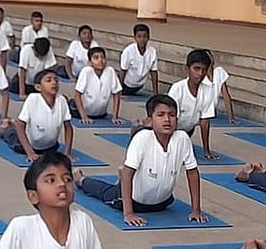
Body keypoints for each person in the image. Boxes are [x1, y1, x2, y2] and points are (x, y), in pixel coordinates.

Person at [75, 94, 208, 226]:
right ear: (150, 120)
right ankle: (81, 179)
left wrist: (196, 210)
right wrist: (128, 214)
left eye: (171, 115)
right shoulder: (143, 138)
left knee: (129, 173)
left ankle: (122, 176)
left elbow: (192, 172)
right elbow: (129, 173)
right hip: (134, 201)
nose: (167, 119)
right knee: (106, 192)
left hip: (163, 203)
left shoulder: (182, 138)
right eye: (161, 115)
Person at [2, 70, 75, 163]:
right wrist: (30, 152)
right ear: (38, 87)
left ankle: (13, 124)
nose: (54, 83)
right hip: (27, 145)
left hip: (50, 147)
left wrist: (67, 152)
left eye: (56, 80)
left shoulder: (61, 100)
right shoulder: (33, 99)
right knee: (12, 136)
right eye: (48, 80)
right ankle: (7, 127)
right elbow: (21, 127)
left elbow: (68, 127)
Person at [166, 49, 219, 159]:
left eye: (204, 70)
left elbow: (205, 122)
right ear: (187, 69)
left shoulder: (208, 91)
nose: (200, 74)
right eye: (196, 69)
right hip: (168, 129)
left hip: (187, 131)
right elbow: (170, 117)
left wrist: (206, 151)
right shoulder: (177, 88)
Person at [71, 47, 124, 124]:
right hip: (79, 110)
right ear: (90, 62)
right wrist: (84, 116)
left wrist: (115, 116)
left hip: (101, 114)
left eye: (102, 57)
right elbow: (77, 94)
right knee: (70, 105)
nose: (100, 60)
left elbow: (117, 93)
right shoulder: (86, 71)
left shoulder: (110, 71)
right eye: (96, 58)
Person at [118, 23, 159, 95]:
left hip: (138, 86)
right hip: (125, 84)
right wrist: (119, 90)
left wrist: (155, 92)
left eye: (145, 36)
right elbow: (123, 70)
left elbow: (154, 72)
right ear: (135, 37)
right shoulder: (128, 51)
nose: (142, 39)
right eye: (139, 37)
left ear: (149, 37)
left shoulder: (152, 52)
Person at [205, 50, 238, 124]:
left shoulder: (219, 72)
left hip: (212, 112)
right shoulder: (200, 75)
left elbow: (226, 95)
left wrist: (231, 116)